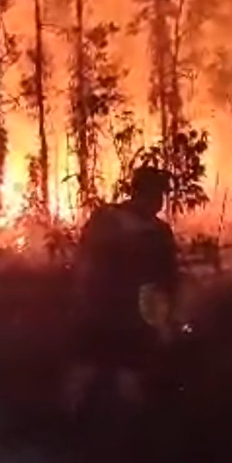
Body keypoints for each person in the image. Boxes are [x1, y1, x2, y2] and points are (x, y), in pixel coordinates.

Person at [66, 166, 180, 417]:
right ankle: (119, 432)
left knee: (93, 372)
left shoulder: (107, 218)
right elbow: (165, 281)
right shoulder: (152, 232)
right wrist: (162, 321)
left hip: (104, 313)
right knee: (118, 374)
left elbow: (82, 262)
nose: (160, 201)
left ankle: (77, 428)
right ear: (144, 193)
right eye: (158, 193)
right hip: (120, 316)